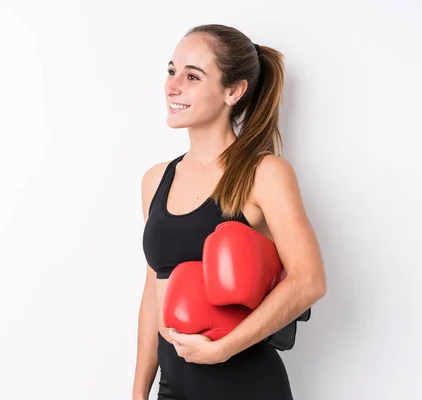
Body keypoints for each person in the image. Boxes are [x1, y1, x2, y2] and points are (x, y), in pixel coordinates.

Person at [132, 24, 327, 400]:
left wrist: (223, 348)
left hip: (245, 384)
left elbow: (309, 281)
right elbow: (153, 292)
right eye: (172, 71)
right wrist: (140, 392)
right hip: (174, 387)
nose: (172, 86)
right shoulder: (155, 180)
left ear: (233, 91)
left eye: (192, 76)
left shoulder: (265, 173)